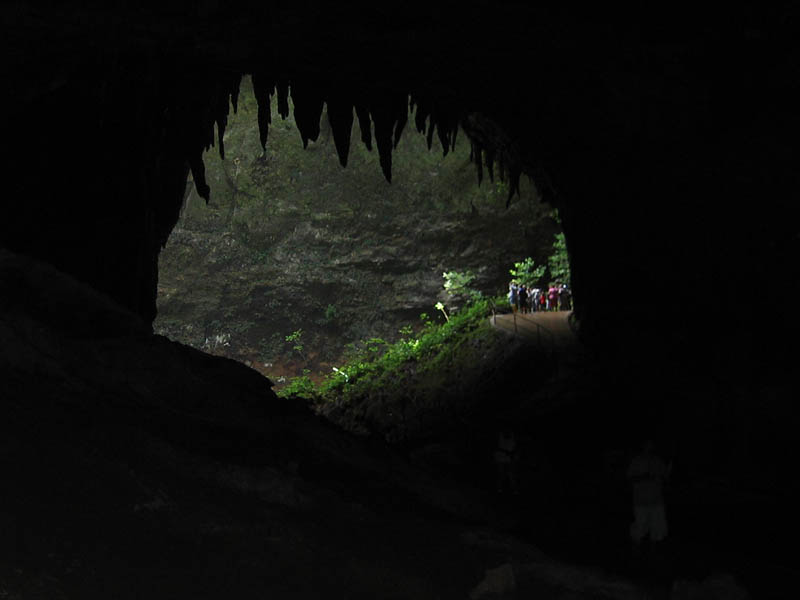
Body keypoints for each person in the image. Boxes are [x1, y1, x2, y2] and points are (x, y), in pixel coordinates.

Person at [627, 440, 672, 560]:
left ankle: (654, 554)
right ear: (643, 447)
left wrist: (667, 473)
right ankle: (634, 554)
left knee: (658, 528)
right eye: (647, 445)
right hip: (640, 501)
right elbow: (629, 478)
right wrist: (644, 477)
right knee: (640, 527)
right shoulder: (636, 461)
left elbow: (666, 477)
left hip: (657, 500)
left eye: (651, 445)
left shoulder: (658, 461)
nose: (649, 447)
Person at [494, 426, 518, 493]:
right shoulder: (499, 436)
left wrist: (513, 455)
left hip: (510, 459)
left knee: (511, 475)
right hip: (500, 458)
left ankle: (514, 489)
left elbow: (515, 448)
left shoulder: (513, 436)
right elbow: (495, 447)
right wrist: (505, 452)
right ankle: (499, 489)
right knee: (501, 474)